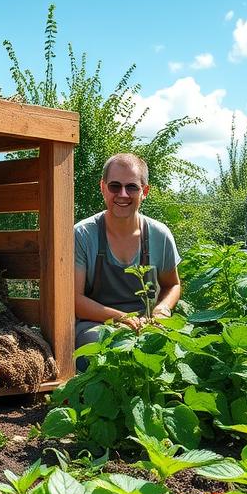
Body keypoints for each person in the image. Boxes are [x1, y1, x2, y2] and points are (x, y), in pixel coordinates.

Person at [74, 153, 181, 364]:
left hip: (149, 321)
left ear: (145, 192)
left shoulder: (159, 235)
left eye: (131, 187)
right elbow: (74, 300)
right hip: (96, 324)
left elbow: (173, 285)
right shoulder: (83, 234)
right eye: (115, 186)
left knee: (176, 350)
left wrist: (162, 309)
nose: (122, 194)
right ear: (102, 187)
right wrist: (122, 319)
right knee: (98, 350)